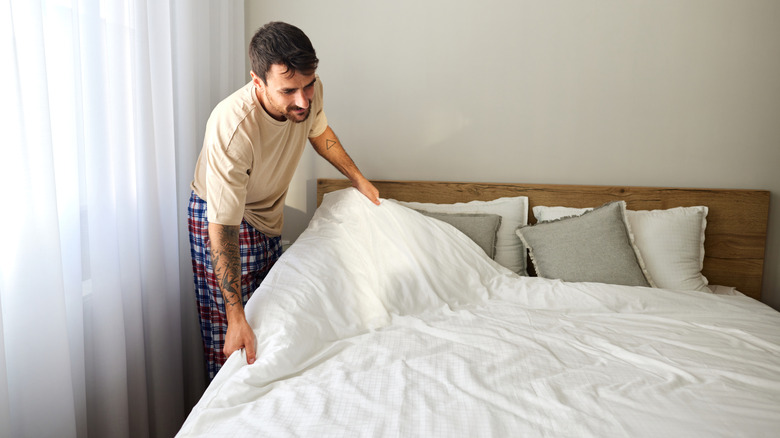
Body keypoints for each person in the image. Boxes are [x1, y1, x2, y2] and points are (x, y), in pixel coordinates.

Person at [188, 21, 379, 380]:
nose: (303, 100)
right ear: (257, 82)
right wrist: (235, 316)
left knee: (274, 319)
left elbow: (319, 132)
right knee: (237, 336)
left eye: (309, 84)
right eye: (289, 90)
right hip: (225, 221)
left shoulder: (308, 92)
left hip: (267, 217)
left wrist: (358, 179)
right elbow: (223, 227)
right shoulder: (233, 126)